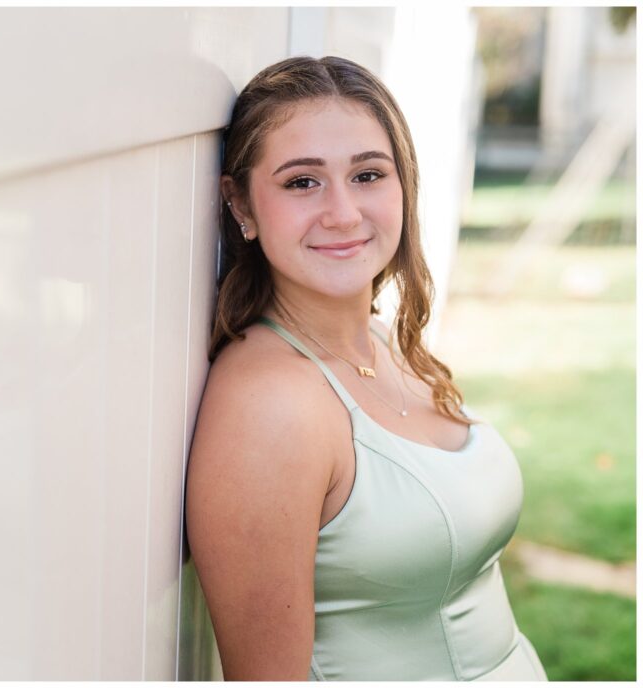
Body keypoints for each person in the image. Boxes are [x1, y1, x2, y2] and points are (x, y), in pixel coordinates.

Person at [184, 56, 548, 681]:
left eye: (368, 175)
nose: (344, 213)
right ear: (241, 203)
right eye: (302, 182)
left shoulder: (382, 340)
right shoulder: (271, 407)